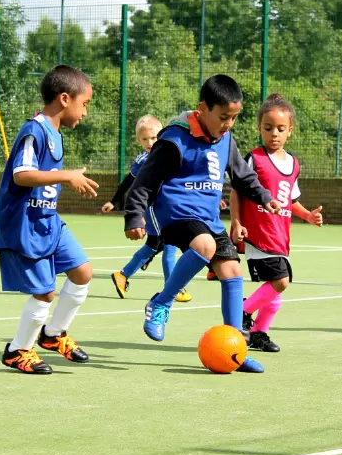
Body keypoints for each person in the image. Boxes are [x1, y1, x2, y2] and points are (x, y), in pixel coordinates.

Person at [124, 74, 280, 373]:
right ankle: (161, 303)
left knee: (232, 270)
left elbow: (243, 176)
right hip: (175, 213)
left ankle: (236, 348)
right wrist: (134, 215)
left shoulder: (226, 140)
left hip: (208, 218)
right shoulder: (174, 139)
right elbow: (145, 181)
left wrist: (263, 196)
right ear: (202, 109)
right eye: (223, 117)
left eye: (234, 118)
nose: (229, 124)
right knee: (205, 245)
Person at [0, 65, 98, 374]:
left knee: (83, 272)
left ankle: (53, 335)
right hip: (25, 225)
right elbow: (22, 174)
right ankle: (18, 350)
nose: (85, 113)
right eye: (85, 104)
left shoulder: (54, 133)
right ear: (65, 99)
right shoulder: (35, 130)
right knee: (45, 291)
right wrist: (66, 176)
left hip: (48, 221)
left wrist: (64, 177)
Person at [230, 93, 323, 353]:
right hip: (258, 233)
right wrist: (237, 224)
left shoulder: (293, 164)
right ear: (260, 128)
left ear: (290, 131)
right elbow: (237, 192)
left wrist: (307, 215)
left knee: (276, 293)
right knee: (281, 280)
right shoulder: (254, 159)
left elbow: (290, 199)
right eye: (268, 128)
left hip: (280, 235)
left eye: (281, 129)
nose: (274, 134)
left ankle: (259, 333)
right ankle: (242, 311)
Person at [101, 115, 191, 302]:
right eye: (145, 139)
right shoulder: (144, 159)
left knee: (153, 245)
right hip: (155, 209)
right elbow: (129, 180)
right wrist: (115, 201)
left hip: (166, 208)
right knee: (169, 246)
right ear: (138, 140)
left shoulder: (169, 153)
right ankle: (174, 288)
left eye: (153, 137)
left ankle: (123, 275)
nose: (150, 142)